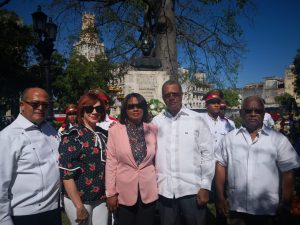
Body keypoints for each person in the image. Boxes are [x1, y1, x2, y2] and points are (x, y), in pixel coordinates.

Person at [215, 96, 300, 225]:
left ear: (264, 113)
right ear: (241, 113)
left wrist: (285, 202)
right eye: (248, 110)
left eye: (258, 111)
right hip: (236, 209)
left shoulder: (278, 139)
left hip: (267, 210)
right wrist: (220, 197)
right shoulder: (229, 139)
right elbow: (220, 166)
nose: (253, 114)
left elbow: (288, 171)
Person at [152, 80, 214, 225]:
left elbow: (208, 155)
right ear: (162, 97)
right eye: (167, 95)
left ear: (182, 95)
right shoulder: (156, 122)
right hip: (165, 190)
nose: (171, 97)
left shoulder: (196, 119)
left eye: (175, 94)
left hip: (191, 190)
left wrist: (205, 186)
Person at [0, 87, 61, 225]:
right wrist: (3, 219)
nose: (40, 108)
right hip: (25, 215)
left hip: (54, 210)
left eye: (45, 105)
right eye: (35, 104)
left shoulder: (49, 129)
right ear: (22, 105)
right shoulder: (7, 137)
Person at [106, 93, 158, 225]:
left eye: (139, 105)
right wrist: (111, 193)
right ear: (125, 109)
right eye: (131, 106)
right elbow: (111, 163)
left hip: (148, 191)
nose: (135, 109)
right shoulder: (115, 130)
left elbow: (157, 159)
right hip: (124, 192)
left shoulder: (153, 129)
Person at [58, 92, 108, 225]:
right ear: (82, 111)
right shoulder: (73, 136)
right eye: (89, 108)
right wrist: (79, 206)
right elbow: (67, 174)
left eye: (98, 109)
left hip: (101, 198)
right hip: (79, 199)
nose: (94, 112)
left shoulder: (104, 134)